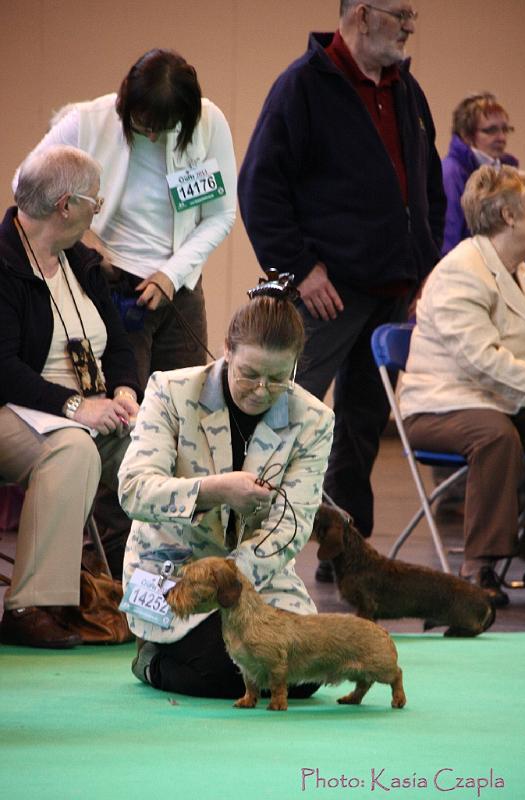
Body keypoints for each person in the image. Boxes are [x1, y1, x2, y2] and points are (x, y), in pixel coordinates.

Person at [238, 0, 445, 581]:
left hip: (391, 290)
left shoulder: (407, 91)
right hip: (327, 293)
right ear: (359, 14)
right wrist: (302, 269)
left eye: (412, 13)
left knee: (359, 430)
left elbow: (427, 184)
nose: (410, 24)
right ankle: (247, 548)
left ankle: (344, 559)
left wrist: (425, 263)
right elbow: (259, 187)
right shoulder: (302, 87)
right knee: (281, 418)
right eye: (399, 12)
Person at [118, 277, 335, 697]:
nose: (261, 390)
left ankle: (188, 649)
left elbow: (293, 524)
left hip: (253, 578)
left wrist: (231, 582)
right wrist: (215, 489)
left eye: (278, 378)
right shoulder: (170, 391)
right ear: (226, 350)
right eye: (249, 373)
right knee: (222, 671)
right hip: (175, 574)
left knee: (301, 674)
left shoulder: (314, 419)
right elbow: (133, 489)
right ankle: (150, 657)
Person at [14, 47, 237, 388]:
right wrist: (80, 234)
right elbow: (23, 183)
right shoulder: (89, 120)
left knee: (190, 409)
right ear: (126, 103)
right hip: (111, 284)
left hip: (181, 288)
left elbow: (221, 215)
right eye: (143, 124)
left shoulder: (209, 123)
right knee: (125, 409)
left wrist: (170, 276)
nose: (151, 136)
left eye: (163, 128)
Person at [0, 145, 140, 648]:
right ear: (65, 205)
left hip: (81, 411)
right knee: (72, 447)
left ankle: (160, 591)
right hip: (13, 410)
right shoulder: (5, 262)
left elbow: (119, 345)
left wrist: (123, 391)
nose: (97, 210)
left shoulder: (80, 261)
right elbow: (3, 368)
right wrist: (76, 407)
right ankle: (30, 606)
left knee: (155, 441)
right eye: (94, 202)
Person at [399, 165, 525, 607]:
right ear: (509, 216)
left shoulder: (523, 273)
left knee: (503, 426)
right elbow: (481, 360)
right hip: (437, 407)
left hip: (496, 400)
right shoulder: (461, 270)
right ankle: (478, 568)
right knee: (496, 436)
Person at [442, 92, 518, 256]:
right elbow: (449, 239)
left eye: (505, 129)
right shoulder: (451, 173)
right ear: (466, 135)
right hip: (467, 271)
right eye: (491, 130)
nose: (502, 137)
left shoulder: (510, 174)